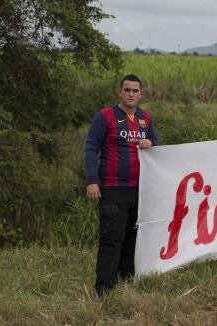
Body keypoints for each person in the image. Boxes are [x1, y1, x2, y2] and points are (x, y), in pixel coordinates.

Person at [85, 74, 158, 295]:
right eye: (127, 90)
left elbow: (157, 147)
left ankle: (126, 282)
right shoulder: (105, 116)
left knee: (132, 238)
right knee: (112, 238)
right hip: (112, 188)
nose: (131, 94)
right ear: (120, 92)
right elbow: (91, 148)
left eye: (135, 91)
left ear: (141, 94)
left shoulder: (146, 118)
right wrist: (91, 181)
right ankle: (104, 289)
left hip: (139, 189)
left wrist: (150, 142)